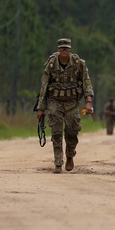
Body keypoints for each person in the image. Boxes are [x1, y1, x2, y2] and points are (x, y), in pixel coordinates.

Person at [36, 37, 94, 173]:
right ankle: (58, 162)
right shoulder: (51, 64)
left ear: (70, 49)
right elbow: (44, 86)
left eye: (66, 48)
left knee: (72, 132)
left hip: (72, 103)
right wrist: (41, 108)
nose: (63, 50)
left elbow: (87, 83)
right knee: (56, 132)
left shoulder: (79, 64)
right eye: (61, 47)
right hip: (54, 102)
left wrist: (88, 102)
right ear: (58, 49)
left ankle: (70, 155)